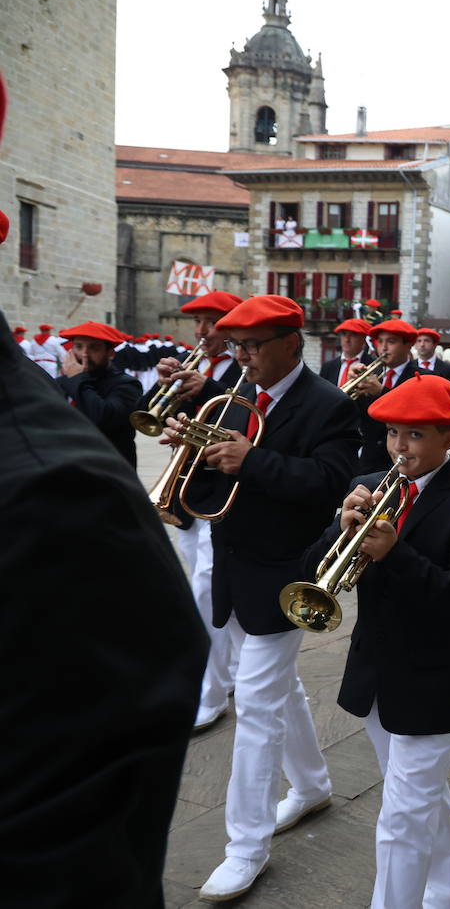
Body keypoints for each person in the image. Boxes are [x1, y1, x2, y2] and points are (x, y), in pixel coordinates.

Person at [0, 305, 209, 906]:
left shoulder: (62, 490)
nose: (83, 355)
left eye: (92, 349)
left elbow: (108, 415)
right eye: (79, 349)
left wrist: (82, 381)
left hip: (128, 495)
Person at [170, 294, 361, 901]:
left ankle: (244, 847)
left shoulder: (329, 404)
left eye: (253, 346)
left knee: (254, 704)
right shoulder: (232, 388)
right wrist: (190, 451)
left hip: (285, 572)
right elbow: (211, 475)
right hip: (231, 563)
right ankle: (310, 785)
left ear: (291, 344)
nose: (242, 357)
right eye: (238, 347)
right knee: (278, 691)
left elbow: (327, 485)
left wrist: (251, 461)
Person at [304, 374, 450, 909]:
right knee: (421, 802)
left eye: (414, 436)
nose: (399, 448)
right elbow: (312, 564)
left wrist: (398, 555)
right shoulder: (369, 482)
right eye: (392, 434)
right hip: (377, 674)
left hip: (434, 681)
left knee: (401, 818)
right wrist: (338, 532)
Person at [147, 290, 245, 732]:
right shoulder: (191, 366)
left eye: (212, 322)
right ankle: (228, 672)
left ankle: (210, 690)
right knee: (206, 589)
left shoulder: (244, 370)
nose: (203, 331)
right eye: (199, 322)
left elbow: (247, 420)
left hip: (221, 494)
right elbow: (147, 414)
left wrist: (209, 389)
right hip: (185, 491)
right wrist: (163, 382)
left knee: (206, 593)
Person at [55, 321, 141, 468]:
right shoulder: (61, 383)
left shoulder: (126, 385)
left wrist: (77, 379)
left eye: (94, 348)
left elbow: (102, 417)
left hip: (108, 470)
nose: (84, 354)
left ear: (110, 353)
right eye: (78, 346)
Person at [353, 319, 420, 475]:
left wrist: (382, 392)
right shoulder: (370, 374)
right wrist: (353, 385)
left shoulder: (421, 376)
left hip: (401, 459)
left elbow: (413, 413)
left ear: (408, 344)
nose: (383, 347)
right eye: (380, 341)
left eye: (391, 341)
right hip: (368, 460)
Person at [321, 318, 375, 390]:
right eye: (344, 334)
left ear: (363, 338)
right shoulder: (327, 367)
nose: (347, 339)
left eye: (353, 335)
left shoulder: (372, 365)